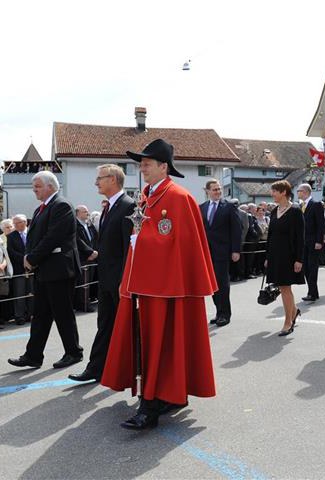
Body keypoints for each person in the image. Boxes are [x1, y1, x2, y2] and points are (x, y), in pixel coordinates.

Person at [101, 139, 217, 430]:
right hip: (144, 284)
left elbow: (177, 245)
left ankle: (150, 406)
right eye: (141, 164)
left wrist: (142, 241)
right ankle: (166, 396)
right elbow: (141, 240)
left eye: (147, 164)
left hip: (167, 287)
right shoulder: (146, 197)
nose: (142, 169)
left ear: (164, 166)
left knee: (161, 344)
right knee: (148, 343)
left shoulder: (178, 197)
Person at [8, 171, 83, 369]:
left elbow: (53, 238)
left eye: (37, 186)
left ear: (50, 186)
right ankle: (33, 355)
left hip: (59, 271)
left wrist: (31, 258)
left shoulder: (61, 206)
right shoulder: (42, 209)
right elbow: (36, 238)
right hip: (45, 270)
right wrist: (29, 256)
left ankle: (74, 352)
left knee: (63, 313)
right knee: (40, 314)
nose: (34, 190)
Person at [69, 165, 134, 383]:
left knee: (128, 327)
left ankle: (136, 370)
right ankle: (96, 368)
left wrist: (125, 280)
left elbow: (129, 249)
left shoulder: (127, 206)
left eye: (100, 178)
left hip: (119, 281)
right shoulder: (109, 207)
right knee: (104, 324)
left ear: (113, 180)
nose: (96, 182)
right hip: (106, 279)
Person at [200, 179, 241, 327]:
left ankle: (225, 314)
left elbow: (237, 229)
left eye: (219, 189)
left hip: (223, 252)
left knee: (222, 283)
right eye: (214, 189)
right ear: (207, 191)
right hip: (207, 252)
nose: (217, 192)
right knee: (211, 284)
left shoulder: (229, 207)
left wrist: (236, 250)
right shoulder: (202, 207)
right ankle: (218, 312)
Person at [265, 180, 304, 336]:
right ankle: (294, 312)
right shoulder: (274, 211)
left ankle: (288, 322)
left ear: (283, 192)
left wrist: (299, 259)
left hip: (289, 256)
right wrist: (268, 256)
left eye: (274, 191)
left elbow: (301, 238)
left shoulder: (295, 211)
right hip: (275, 255)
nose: (272, 194)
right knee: (282, 287)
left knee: (285, 288)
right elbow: (270, 236)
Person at [297, 183, 325, 302]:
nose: (298, 193)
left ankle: (312, 293)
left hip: (314, 242)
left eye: (299, 191)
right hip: (303, 242)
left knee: (312, 267)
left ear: (306, 192)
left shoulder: (316, 204)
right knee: (306, 268)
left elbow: (320, 224)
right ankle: (313, 291)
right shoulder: (300, 206)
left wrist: (319, 241)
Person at [7, 214, 33, 325]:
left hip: (33, 267)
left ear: (24, 222)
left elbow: (37, 247)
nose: (16, 225)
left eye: (18, 223)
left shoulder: (33, 233)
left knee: (32, 292)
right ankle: (19, 316)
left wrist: (31, 260)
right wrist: (24, 260)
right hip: (19, 269)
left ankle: (31, 313)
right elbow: (11, 252)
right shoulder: (11, 236)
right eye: (15, 223)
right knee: (19, 293)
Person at [73, 205, 98, 313]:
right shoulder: (75, 225)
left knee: (90, 281)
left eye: (88, 211)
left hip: (93, 257)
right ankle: (82, 304)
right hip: (83, 257)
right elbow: (78, 240)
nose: (87, 214)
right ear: (77, 213)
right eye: (85, 212)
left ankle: (87, 301)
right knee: (83, 282)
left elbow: (95, 238)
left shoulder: (89, 224)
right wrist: (89, 252)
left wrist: (95, 251)